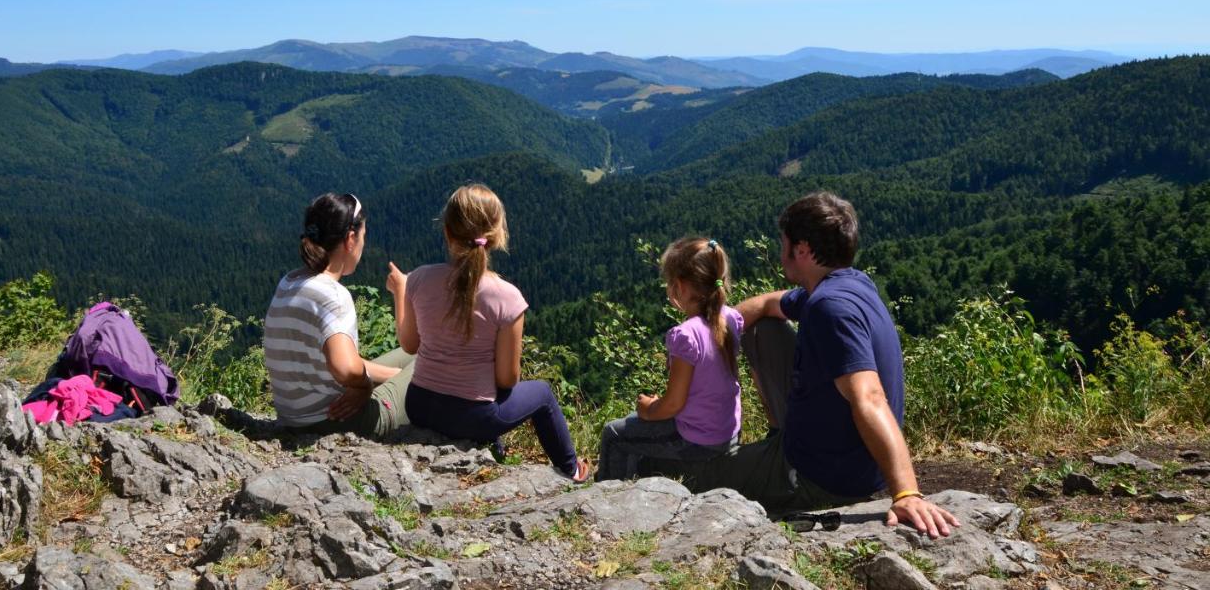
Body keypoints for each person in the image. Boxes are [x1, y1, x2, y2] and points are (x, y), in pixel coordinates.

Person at [645, 192, 960, 539]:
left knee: (685, 473)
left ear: (803, 250)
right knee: (763, 330)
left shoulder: (830, 309)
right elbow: (766, 305)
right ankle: (779, 437)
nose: (781, 252)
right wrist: (714, 331)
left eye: (784, 243)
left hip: (820, 474)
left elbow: (869, 397)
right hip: (834, 450)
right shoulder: (844, 285)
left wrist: (906, 493)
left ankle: (777, 470)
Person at [385, 183, 591, 482]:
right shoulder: (506, 297)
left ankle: (491, 444)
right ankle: (570, 469)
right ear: (496, 235)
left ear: (446, 231)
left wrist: (400, 291)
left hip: (419, 406)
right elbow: (507, 378)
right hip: (475, 419)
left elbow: (409, 344)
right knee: (544, 393)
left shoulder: (419, 279)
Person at [263, 192, 415, 439]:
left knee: (416, 356)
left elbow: (338, 360)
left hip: (294, 418)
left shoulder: (289, 281)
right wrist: (364, 386)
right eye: (364, 235)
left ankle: (403, 377)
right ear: (351, 239)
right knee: (440, 359)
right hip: (341, 421)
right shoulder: (334, 295)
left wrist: (396, 377)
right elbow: (344, 367)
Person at [596, 237, 743, 481]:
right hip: (727, 432)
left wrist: (648, 408)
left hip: (697, 440)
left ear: (681, 286)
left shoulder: (685, 335)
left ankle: (606, 503)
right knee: (632, 427)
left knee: (613, 433)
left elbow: (673, 404)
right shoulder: (731, 318)